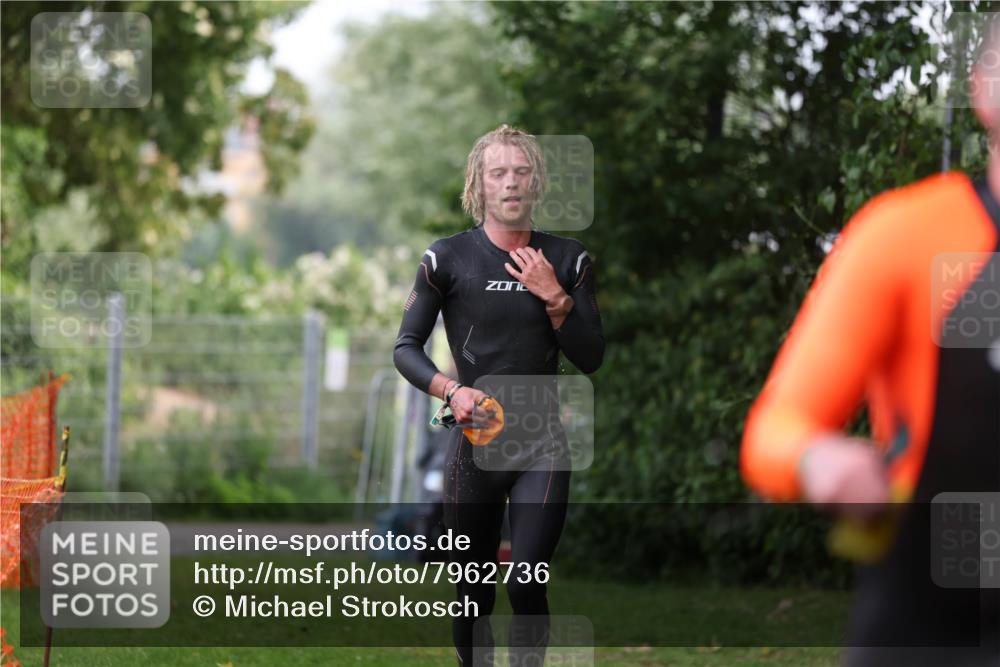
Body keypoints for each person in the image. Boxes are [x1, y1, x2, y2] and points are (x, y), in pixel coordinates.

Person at [740, 25, 1000, 667]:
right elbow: (774, 431)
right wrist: (819, 459)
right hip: (931, 627)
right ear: (984, 89)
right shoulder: (907, 236)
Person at [393, 125, 604, 666]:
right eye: (498, 173)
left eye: (521, 172)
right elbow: (406, 348)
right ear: (479, 186)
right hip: (474, 445)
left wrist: (556, 297)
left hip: (543, 447)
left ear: (536, 184)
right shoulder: (447, 259)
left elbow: (591, 355)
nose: (510, 183)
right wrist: (451, 390)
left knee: (527, 583)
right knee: (473, 593)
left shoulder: (568, 258)